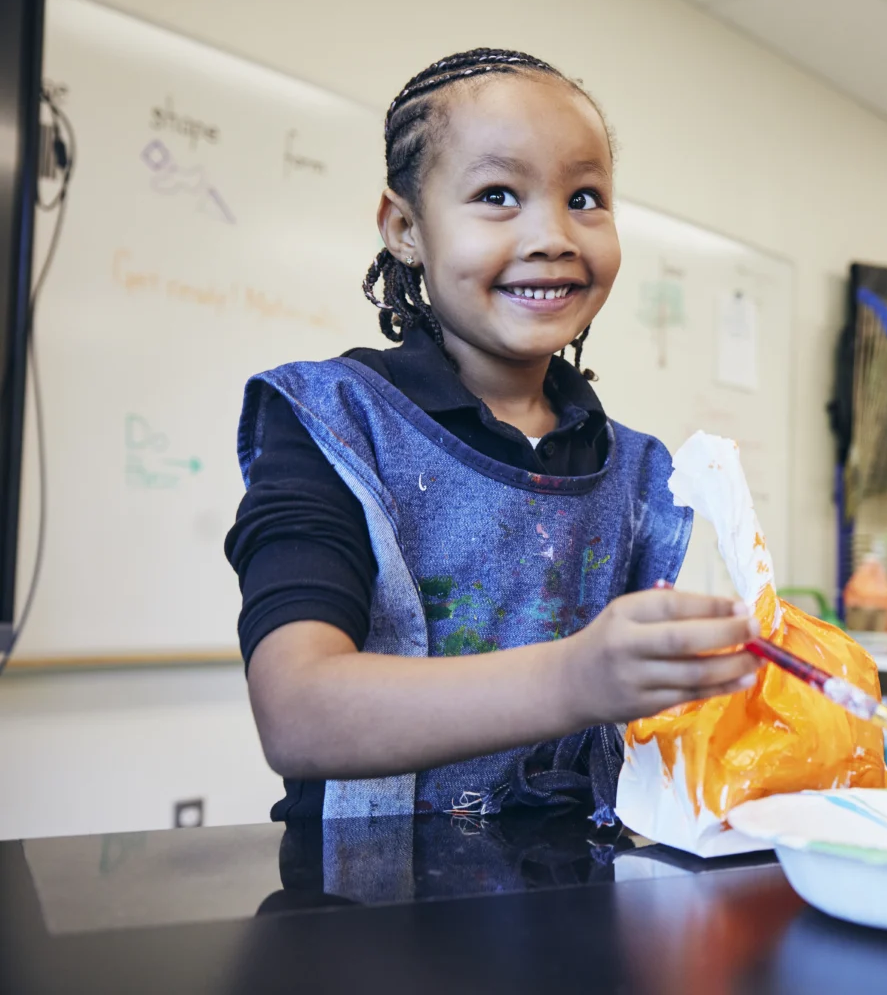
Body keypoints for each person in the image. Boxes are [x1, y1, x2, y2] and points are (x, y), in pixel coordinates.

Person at [224, 49, 760, 825]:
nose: (553, 235)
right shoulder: (333, 420)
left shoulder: (641, 470)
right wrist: (576, 679)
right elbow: (297, 713)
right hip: (368, 917)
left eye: (585, 196)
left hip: (585, 908)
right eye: (498, 195)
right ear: (405, 228)